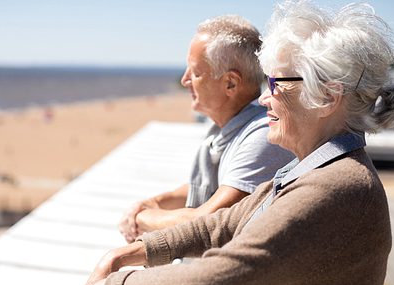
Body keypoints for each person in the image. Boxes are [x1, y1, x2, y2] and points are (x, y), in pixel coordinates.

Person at [71, 1, 394, 285]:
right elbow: (217, 226)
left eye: (277, 84)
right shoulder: (312, 171)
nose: (264, 98)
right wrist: (121, 257)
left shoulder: (338, 190)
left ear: (326, 97)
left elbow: (207, 283)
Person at [118, 15, 294, 243]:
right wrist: (152, 203)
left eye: (195, 73)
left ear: (230, 83)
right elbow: (220, 184)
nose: (184, 80)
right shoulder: (227, 130)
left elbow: (208, 222)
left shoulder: (263, 135)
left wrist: (142, 217)